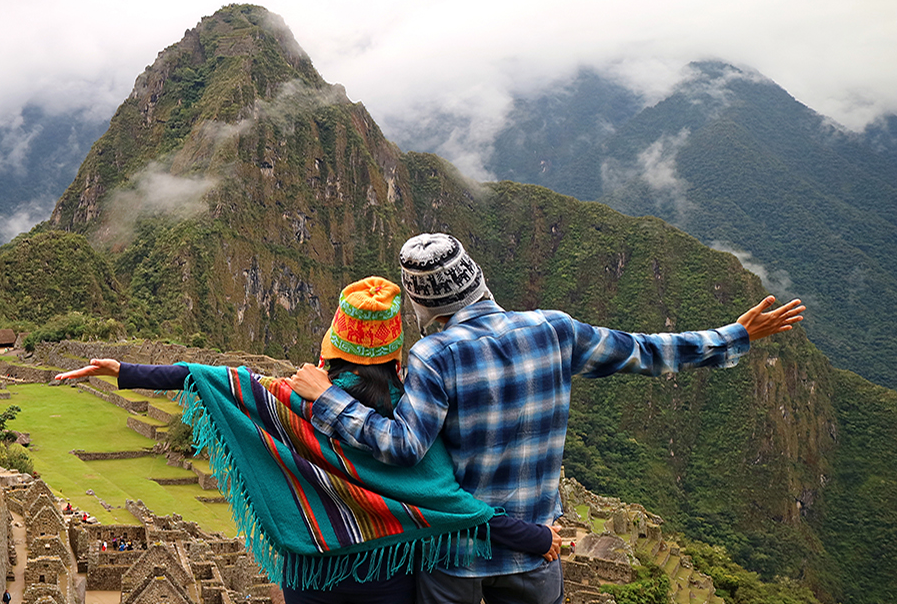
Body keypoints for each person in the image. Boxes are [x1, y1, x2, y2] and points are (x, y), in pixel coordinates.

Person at [286, 233, 805, 604]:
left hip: (457, 555)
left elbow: (401, 447)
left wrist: (327, 397)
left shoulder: (435, 356)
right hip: (535, 545)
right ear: (478, 281)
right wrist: (733, 336)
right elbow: (646, 351)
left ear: (421, 306)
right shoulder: (554, 330)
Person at [59, 277, 558, 604]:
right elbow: (451, 504)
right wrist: (535, 537)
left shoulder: (290, 403)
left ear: (331, 350)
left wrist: (126, 369)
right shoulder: (411, 419)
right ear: (395, 358)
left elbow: (218, 379)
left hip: (309, 578)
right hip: (387, 577)